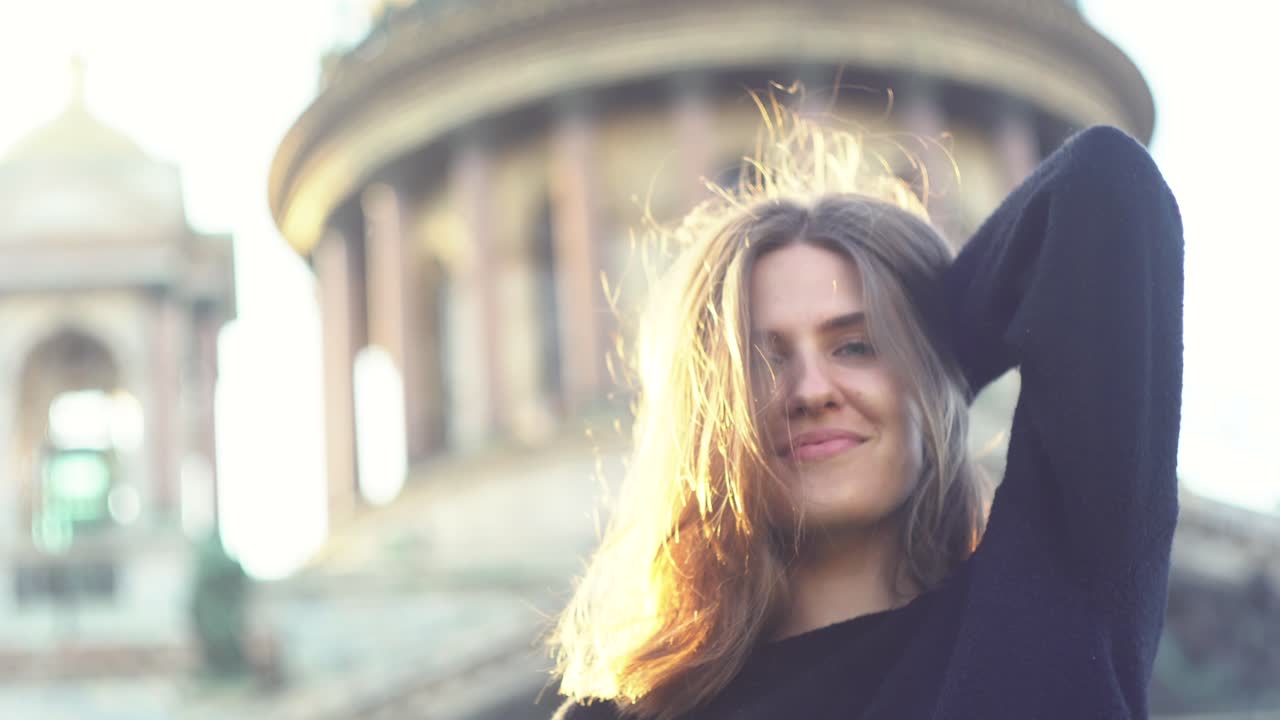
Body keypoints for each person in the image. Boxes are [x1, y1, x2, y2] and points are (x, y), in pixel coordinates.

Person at [548, 113, 1184, 719]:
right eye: (762, 363)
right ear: (709, 415)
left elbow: (1104, 185)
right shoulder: (623, 716)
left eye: (856, 345)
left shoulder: (1041, 610)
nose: (811, 390)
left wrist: (940, 344)